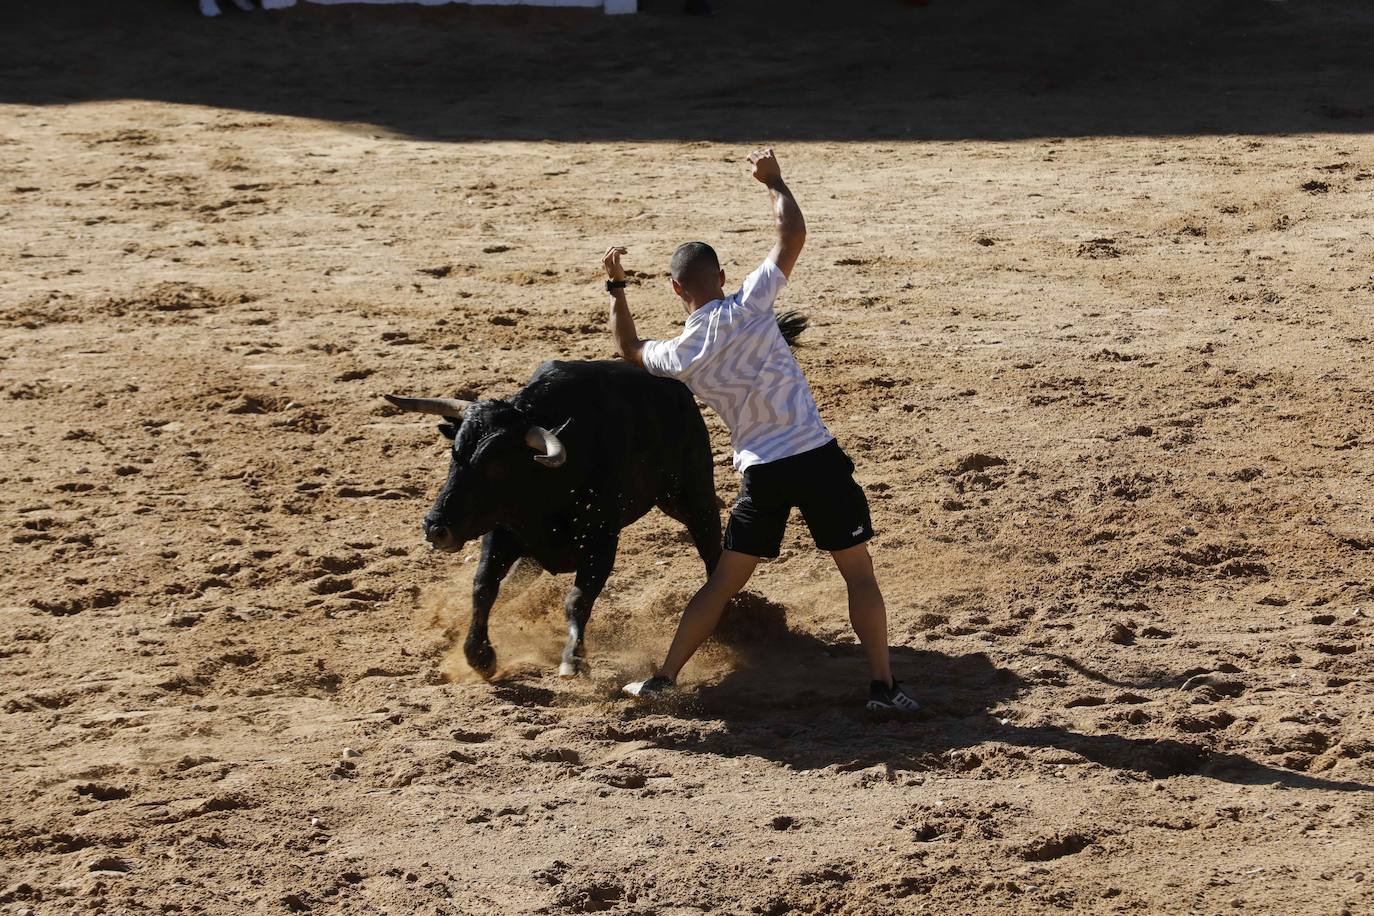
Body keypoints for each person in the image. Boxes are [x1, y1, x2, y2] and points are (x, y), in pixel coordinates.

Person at [601, 148, 919, 712]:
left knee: (722, 585)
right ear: (721, 278)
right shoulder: (750, 302)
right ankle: (884, 688)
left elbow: (627, 348)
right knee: (859, 576)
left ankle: (664, 679)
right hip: (816, 459)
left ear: (676, 290)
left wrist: (617, 288)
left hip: (763, 473)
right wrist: (773, 181)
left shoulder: (680, 354)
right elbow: (791, 235)